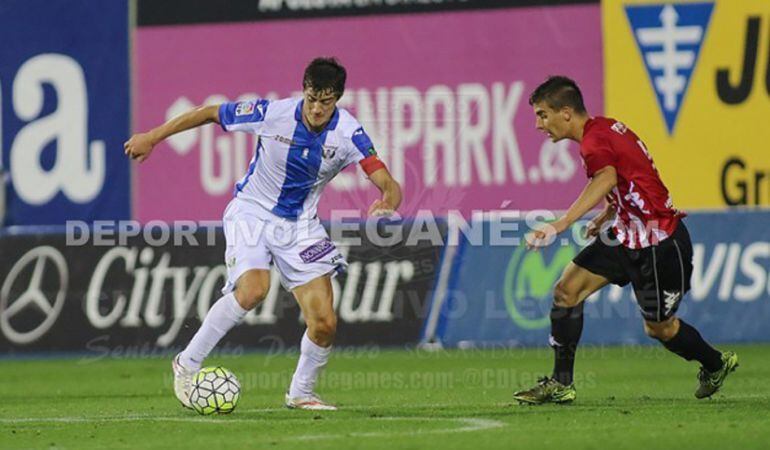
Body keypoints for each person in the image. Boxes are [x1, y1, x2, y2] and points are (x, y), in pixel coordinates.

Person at [124, 57, 402, 411]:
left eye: (326, 101)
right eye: (312, 98)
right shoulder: (272, 113)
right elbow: (210, 112)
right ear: (304, 90)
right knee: (254, 289)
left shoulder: (349, 134)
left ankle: (301, 392)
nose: (317, 108)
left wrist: (386, 202)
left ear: (338, 99)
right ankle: (187, 363)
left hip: (301, 227)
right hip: (252, 211)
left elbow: (387, 181)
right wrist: (152, 137)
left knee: (325, 322)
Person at [513, 76, 737, 404]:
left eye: (542, 115)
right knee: (566, 291)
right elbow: (629, 175)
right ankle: (561, 384)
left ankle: (716, 363)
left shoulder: (592, 143)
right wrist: (607, 214)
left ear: (565, 112)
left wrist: (560, 224)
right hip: (625, 235)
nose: (538, 125)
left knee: (659, 328)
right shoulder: (603, 129)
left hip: (660, 244)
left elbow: (607, 176)